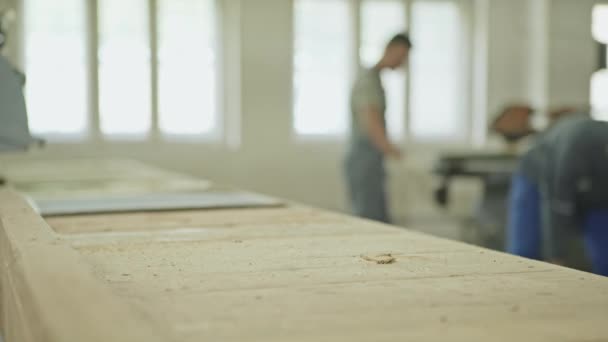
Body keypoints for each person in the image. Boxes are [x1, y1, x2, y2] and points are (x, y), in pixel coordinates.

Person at [507, 111, 608, 276]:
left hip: (594, 190)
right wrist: (556, 255)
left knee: (606, 259)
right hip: (537, 175)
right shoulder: (575, 149)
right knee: (526, 252)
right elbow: (557, 203)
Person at [344, 33, 411, 223]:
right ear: (392, 49)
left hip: (372, 161)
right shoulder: (368, 81)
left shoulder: (376, 80)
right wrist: (393, 150)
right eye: (403, 56)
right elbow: (371, 124)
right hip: (363, 162)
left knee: (379, 217)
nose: (403, 62)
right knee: (369, 220)